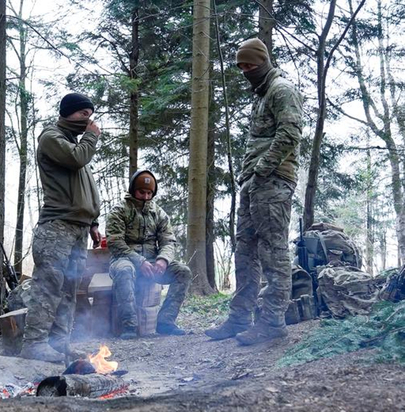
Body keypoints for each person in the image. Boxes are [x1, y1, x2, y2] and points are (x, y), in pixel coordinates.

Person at [205, 38, 303, 345]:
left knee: (273, 251)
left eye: (250, 65)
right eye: (242, 66)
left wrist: (263, 169)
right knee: (244, 251)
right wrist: (250, 176)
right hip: (253, 183)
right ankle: (238, 319)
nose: (246, 70)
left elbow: (290, 134)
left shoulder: (281, 89)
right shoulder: (261, 95)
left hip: (273, 181)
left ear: (263, 61)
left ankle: (272, 322)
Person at [20, 93, 102, 363]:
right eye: (82, 113)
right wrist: (91, 137)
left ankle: (59, 344)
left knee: (69, 289)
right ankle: (34, 344)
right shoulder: (51, 137)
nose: (88, 118)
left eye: (90, 113)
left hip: (78, 229)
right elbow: (77, 159)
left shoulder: (73, 142)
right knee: (49, 286)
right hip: (57, 227)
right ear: (68, 112)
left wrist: (92, 223)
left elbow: (84, 190)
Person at [107, 170, 191, 339]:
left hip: (153, 264)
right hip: (124, 260)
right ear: (133, 190)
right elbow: (115, 242)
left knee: (183, 272)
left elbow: (168, 241)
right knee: (124, 270)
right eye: (141, 192)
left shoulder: (159, 213)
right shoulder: (119, 211)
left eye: (149, 193)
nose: (145, 196)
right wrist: (140, 261)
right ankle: (129, 326)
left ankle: (166, 322)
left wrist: (163, 260)